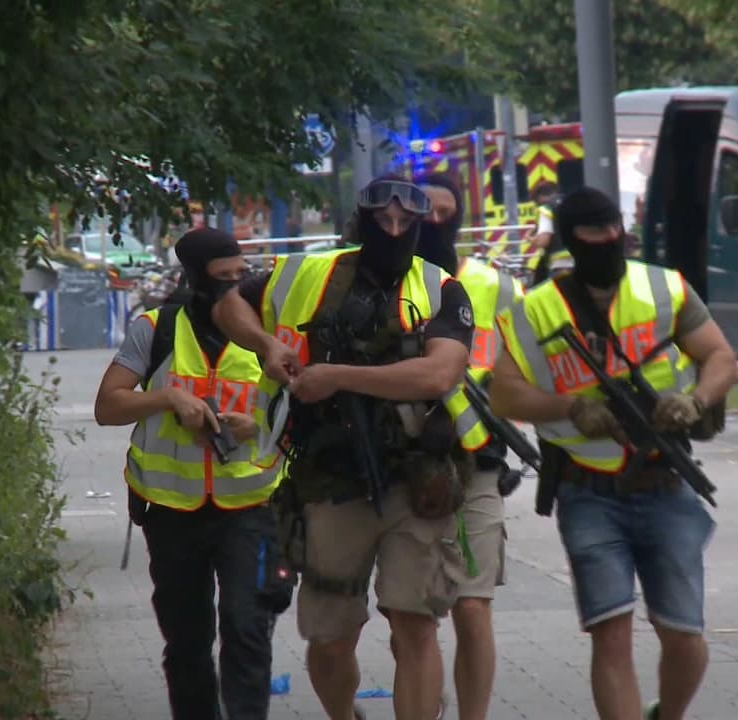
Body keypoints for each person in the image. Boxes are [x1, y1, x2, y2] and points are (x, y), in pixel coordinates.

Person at [214, 176, 486, 720]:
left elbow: (438, 373)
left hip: (416, 478)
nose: (393, 232)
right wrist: (266, 344)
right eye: (382, 222)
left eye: (405, 224)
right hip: (329, 479)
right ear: (360, 223)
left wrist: (337, 376)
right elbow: (228, 306)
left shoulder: (441, 288)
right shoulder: (306, 273)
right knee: (330, 637)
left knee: (415, 623)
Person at [488, 187, 738, 720]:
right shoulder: (536, 309)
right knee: (611, 633)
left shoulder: (663, 287)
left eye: (613, 231)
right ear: (570, 241)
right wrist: (570, 407)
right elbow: (504, 393)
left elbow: (720, 356)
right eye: (593, 234)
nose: (607, 242)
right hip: (588, 491)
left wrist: (694, 402)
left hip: (665, 482)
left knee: (684, 635)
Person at [93, 227, 284, 720]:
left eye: (243, 276)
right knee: (187, 641)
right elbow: (108, 406)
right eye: (223, 279)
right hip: (173, 512)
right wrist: (167, 398)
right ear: (194, 280)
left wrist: (257, 426)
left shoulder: (269, 331)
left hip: (252, 506)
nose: (236, 288)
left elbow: (302, 408)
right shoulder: (155, 328)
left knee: (246, 625)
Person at [411, 172, 523, 720]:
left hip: (477, 458)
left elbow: (524, 370)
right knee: (412, 614)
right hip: (401, 461)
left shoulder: (494, 284)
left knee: (473, 608)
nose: (434, 221)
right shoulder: (386, 282)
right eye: (423, 211)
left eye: (445, 211)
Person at [526, 181, 572, 285]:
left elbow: (543, 241)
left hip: (561, 263)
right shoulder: (572, 203)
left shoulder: (546, 209)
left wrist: (529, 238)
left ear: (540, 198)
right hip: (582, 258)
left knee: (560, 296)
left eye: (536, 202)